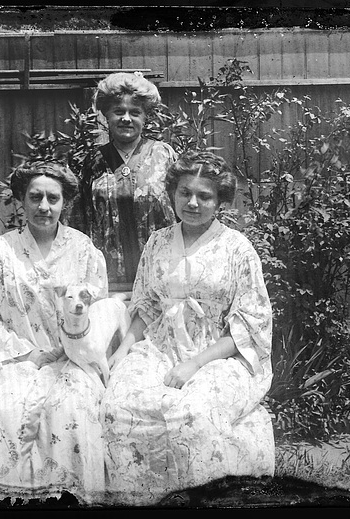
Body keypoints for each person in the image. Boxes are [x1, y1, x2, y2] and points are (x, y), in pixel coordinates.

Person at [101, 150, 275, 504]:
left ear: (220, 200)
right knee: (118, 407)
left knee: (193, 414)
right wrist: (122, 349)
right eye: (185, 193)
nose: (192, 202)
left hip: (219, 355)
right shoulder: (158, 242)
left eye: (204, 196)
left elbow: (250, 324)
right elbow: (147, 305)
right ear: (173, 194)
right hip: (160, 347)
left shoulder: (237, 249)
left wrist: (195, 364)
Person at [0, 161, 109, 502]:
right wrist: (29, 353)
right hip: (11, 357)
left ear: (65, 202)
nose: (44, 207)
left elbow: (100, 312)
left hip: (72, 359)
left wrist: (74, 347)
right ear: (21, 199)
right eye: (35, 197)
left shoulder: (84, 251)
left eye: (53, 198)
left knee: (73, 410)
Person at [74, 71, 177, 287]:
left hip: (162, 277)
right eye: (118, 111)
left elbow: (183, 211)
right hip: (107, 280)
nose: (126, 119)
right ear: (106, 115)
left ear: (145, 116)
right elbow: (78, 222)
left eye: (135, 112)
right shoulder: (92, 162)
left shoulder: (163, 156)